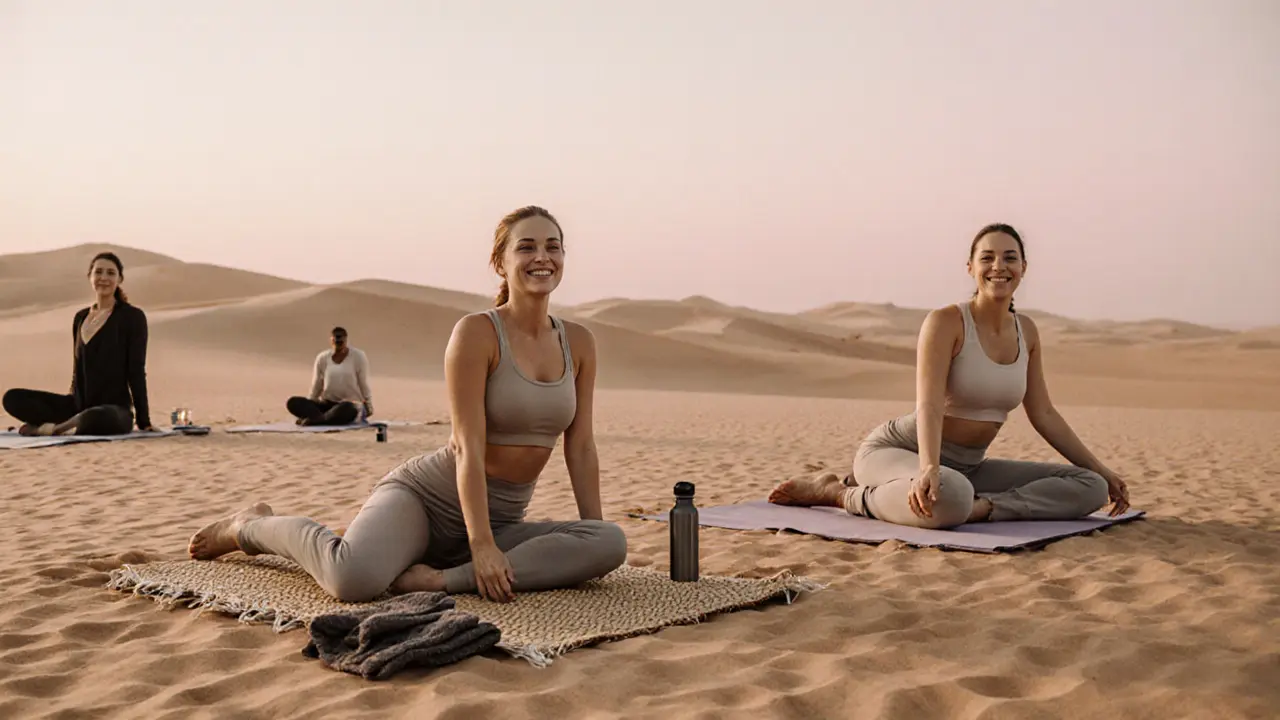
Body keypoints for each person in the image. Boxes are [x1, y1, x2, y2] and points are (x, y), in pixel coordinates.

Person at [189, 205, 628, 603]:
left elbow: (581, 447)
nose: (542, 257)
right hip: (426, 500)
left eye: (553, 247)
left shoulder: (579, 342)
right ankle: (249, 526)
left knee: (611, 542)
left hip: (502, 519)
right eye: (526, 246)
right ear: (501, 262)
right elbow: (467, 447)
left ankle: (441, 579)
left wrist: (592, 534)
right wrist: (480, 545)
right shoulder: (477, 333)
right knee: (352, 580)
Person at [768, 223, 1128, 529]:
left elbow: (1044, 414)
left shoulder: (1027, 331)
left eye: (1009, 257)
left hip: (970, 466)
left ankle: (983, 509)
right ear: (970, 267)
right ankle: (838, 491)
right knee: (949, 497)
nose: (998, 266)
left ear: (1024, 268)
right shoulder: (945, 322)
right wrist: (928, 467)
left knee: (1090, 486)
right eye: (986, 257)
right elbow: (929, 405)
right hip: (900, 449)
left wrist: (1103, 470)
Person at [3, 251, 154, 437]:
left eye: (110, 273)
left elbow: (136, 370)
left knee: (97, 417)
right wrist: (71, 400)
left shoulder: (132, 317)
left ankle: (54, 429)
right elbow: (77, 369)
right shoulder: (80, 318)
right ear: (90, 277)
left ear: (120, 279)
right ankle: (70, 423)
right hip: (76, 406)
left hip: (114, 410)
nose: (104, 278)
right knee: (12, 398)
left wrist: (144, 421)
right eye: (98, 272)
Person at [285, 327, 372, 426]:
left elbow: (363, 382)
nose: (338, 344)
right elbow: (317, 383)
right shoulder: (322, 357)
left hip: (347, 405)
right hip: (326, 404)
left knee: (348, 408)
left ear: (346, 340)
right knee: (293, 402)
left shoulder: (358, 356)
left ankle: (316, 420)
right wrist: (310, 404)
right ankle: (320, 419)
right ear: (331, 340)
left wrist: (368, 404)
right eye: (336, 341)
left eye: (341, 341)